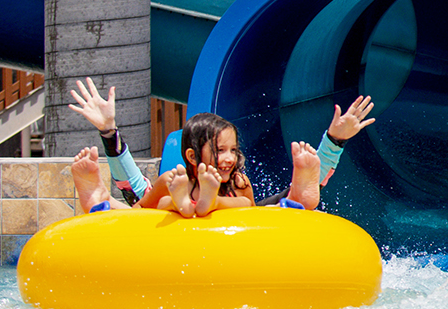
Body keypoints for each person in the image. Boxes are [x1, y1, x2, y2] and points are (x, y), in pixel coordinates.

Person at [66, 77, 377, 216]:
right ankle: (100, 200)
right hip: (176, 211)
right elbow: (136, 207)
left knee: (288, 201)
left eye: (233, 150)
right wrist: (109, 132)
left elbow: (255, 220)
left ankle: (212, 202)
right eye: (220, 150)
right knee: (149, 206)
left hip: (231, 223)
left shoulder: (239, 183)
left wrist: (335, 140)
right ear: (192, 155)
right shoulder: (174, 180)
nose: (229, 158)